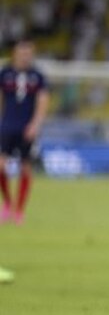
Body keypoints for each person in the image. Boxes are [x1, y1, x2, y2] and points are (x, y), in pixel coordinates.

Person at [0, 40, 50, 225]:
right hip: (6, 126)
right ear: (15, 53)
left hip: (27, 127)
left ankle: (19, 210)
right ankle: (7, 203)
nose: (25, 57)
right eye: (22, 53)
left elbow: (43, 101)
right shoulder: (5, 73)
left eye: (29, 53)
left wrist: (35, 124)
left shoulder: (37, 76)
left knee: (25, 167)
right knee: (1, 165)